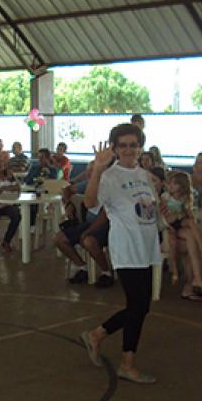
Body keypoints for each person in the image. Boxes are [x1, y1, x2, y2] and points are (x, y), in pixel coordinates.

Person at [79, 123, 161, 384]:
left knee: (141, 306)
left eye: (133, 145)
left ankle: (97, 335)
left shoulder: (144, 175)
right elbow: (90, 203)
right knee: (138, 306)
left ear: (140, 147)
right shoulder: (109, 176)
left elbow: (149, 211)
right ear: (114, 148)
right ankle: (127, 363)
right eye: (123, 145)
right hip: (126, 249)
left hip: (146, 248)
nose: (129, 150)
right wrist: (97, 171)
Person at [161, 170, 202, 300]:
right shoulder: (165, 198)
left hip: (180, 227)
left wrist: (182, 214)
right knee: (191, 241)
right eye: (169, 183)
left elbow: (189, 217)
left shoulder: (184, 199)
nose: (170, 186)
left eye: (174, 184)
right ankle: (195, 281)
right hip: (170, 230)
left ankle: (196, 281)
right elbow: (165, 218)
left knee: (190, 235)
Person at [56, 205, 113, 288]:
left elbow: (105, 216)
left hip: (105, 225)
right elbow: (70, 193)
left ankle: (106, 272)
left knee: (88, 242)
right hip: (87, 223)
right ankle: (82, 267)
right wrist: (70, 205)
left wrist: (87, 232)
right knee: (59, 239)